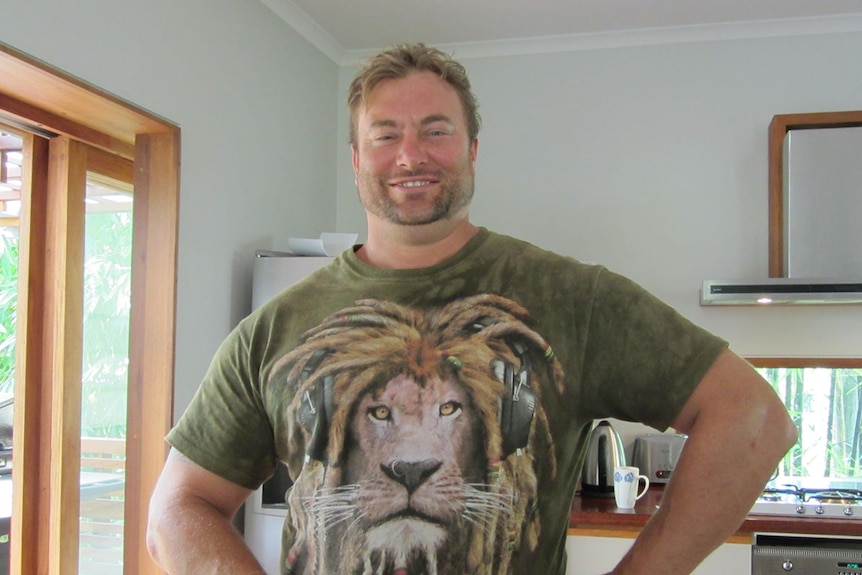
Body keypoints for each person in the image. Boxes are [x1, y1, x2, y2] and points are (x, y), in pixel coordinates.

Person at [147, 43, 797, 575]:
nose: (411, 154)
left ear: (472, 150)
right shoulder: (275, 328)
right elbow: (178, 507)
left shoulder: (572, 299)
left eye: (437, 130)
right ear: (354, 160)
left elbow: (755, 418)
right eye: (385, 135)